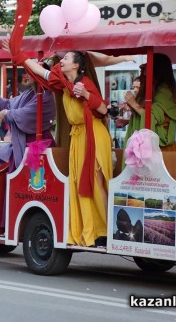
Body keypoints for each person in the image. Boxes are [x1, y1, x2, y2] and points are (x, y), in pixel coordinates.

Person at [23, 51, 112, 248]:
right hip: (78, 136)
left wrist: (86, 94)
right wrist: (20, 56)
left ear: (76, 65)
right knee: (79, 182)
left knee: (96, 181)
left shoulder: (85, 83)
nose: (61, 61)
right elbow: (40, 71)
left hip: (93, 136)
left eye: (65, 59)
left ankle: (105, 230)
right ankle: (88, 229)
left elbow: (104, 110)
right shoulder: (63, 83)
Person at [0, 72, 56, 172]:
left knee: (32, 181)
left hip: (38, 144)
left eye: (29, 73)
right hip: (23, 143)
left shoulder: (46, 95)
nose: (25, 76)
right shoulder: (29, 93)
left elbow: (26, 114)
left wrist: (7, 113)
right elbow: (9, 104)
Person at [124, 54, 176, 151]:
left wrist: (134, 103)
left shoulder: (164, 91)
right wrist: (128, 121)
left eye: (149, 65)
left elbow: (152, 119)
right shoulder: (156, 88)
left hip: (160, 151)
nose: (145, 70)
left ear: (157, 69)